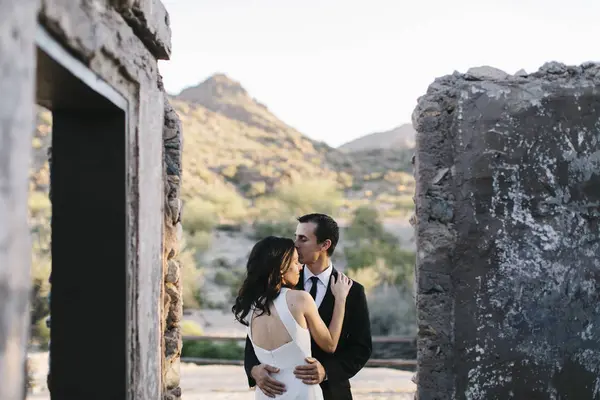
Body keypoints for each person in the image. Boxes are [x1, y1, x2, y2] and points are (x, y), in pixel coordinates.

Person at [244, 213, 373, 400]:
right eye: (295, 237)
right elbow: (253, 340)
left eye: (303, 239)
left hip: (333, 393)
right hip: (278, 390)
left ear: (324, 245)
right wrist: (254, 370)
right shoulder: (279, 285)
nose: (295, 244)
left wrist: (326, 371)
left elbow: (361, 348)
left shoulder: (351, 291)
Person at [233, 236, 353, 399]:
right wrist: (340, 299)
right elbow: (330, 344)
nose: (301, 267)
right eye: (296, 262)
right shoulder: (300, 299)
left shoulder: (250, 307)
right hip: (302, 393)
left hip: (266, 395)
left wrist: (253, 370)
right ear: (281, 268)